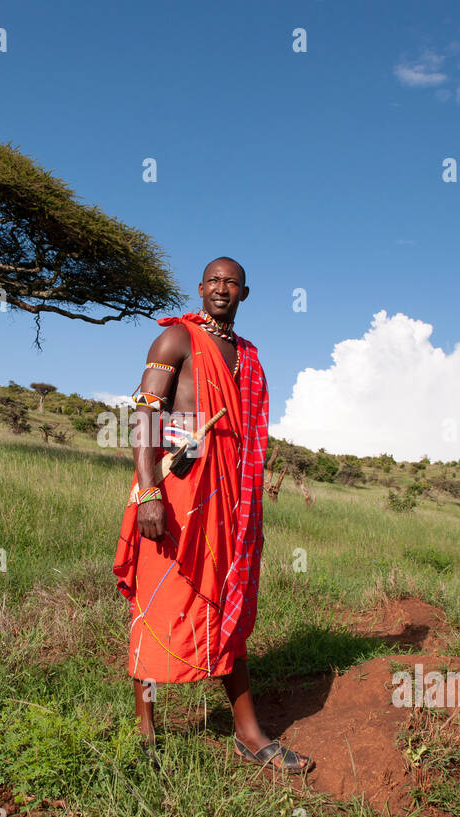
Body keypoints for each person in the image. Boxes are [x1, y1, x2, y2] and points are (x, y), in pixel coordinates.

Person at [112, 257, 313, 773]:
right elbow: (144, 421)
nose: (222, 289)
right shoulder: (175, 341)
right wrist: (148, 494)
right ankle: (146, 732)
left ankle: (248, 733)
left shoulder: (248, 355)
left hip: (230, 501)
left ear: (245, 293)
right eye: (214, 281)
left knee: (227, 600)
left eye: (233, 283)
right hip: (177, 493)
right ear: (201, 288)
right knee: (160, 602)